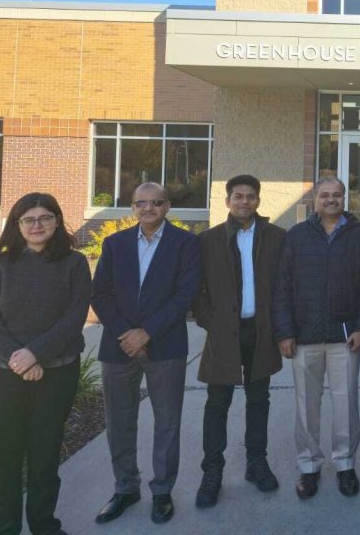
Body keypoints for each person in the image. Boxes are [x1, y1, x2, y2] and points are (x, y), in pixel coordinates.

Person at [0, 192, 91, 535]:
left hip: (56, 375)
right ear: (17, 225)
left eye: (45, 218)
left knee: (44, 457)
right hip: (1, 375)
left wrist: (36, 354)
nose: (37, 225)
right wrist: (20, 359)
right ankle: (2, 528)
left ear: (57, 222)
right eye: (29, 219)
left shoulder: (74, 264)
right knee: (4, 458)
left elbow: (74, 318)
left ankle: (44, 526)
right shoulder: (1, 264)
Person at [91, 182, 200, 525]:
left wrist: (147, 331)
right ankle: (125, 487)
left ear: (168, 206)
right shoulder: (114, 244)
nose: (148, 208)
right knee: (119, 422)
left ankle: (163, 490)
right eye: (142, 203)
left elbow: (186, 294)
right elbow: (100, 294)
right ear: (132, 208)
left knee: (167, 422)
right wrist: (127, 333)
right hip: (119, 346)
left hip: (165, 345)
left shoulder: (186, 244)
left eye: (156, 202)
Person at [273, 176, 360, 499]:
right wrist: (285, 331)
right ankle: (309, 467)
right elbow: (282, 287)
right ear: (314, 199)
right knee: (307, 406)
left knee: (346, 404)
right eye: (325, 195)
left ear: (344, 199)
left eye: (337, 195)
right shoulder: (297, 235)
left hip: (344, 337)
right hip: (304, 337)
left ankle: (345, 464)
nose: (331, 200)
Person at [193, 174, 285, 508]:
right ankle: (212, 471)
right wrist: (211, 322)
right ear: (228, 200)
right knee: (217, 403)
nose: (244, 202)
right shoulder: (208, 240)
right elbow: (196, 289)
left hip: (260, 332)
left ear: (258, 200)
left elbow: (283, 286)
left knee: (259, 400)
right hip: (224, 334)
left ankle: (256, 463)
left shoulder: (276, 238)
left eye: (250, 196)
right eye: (238, 196)